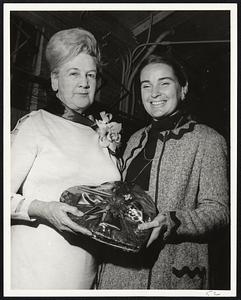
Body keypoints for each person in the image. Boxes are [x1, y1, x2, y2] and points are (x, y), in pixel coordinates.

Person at [97, 54, 229, 289]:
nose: (154, 93)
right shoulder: (136, 139)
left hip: (168, 273)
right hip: (117, 270)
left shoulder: (208, 140)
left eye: (164, 83)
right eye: (146, 86)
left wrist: (171, 222)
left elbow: (219, 211)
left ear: (183, 89)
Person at [11, 27, 121, 289]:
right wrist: (45, 210)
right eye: (74, 73)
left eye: (90, 75)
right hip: (32, 275)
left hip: (86, 277)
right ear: (54, 80)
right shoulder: (36, 124)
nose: (84, 82)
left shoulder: (101, 134)